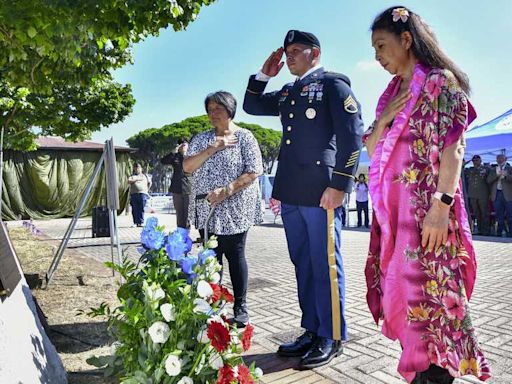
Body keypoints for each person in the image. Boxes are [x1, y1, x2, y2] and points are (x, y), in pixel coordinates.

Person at [363, 6, 490, 383]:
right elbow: (371, 149)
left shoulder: (439, 81)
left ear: (406, 39)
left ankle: (433, 376)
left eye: (382, 46)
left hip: (428, 216)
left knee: (433, 298)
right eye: (373, 50)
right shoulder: (390, 94)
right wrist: (384, 120)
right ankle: (420, 370)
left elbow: (454, 147)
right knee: (404, 296)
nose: (378, 57)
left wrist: (441, 206)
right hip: (395, 220)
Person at [243, 30, 363, 369]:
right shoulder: (288, 91)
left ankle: (332, 335)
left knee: (325, 264)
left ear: (315, 53)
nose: (290, 55)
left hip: (322, 189)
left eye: (296, 50)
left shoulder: (333, 85)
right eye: (287, 51)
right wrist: (264, 75)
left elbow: (352, 135)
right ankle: (312, 329)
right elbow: (252, 105)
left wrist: (341, 184)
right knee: (304, 263)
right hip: (292, 188)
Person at [183, 91, 263, 327]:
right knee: (210, 257)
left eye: (218, 108)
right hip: (205, 208)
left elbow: (253, 171)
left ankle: (240, 306)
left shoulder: (245, 137)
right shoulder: (202, 138)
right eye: (209, 109)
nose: (212, 113)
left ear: (230, 109)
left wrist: (226, 190)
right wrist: (213, 148)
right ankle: (212, 304)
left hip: (235, 208)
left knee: (235, 254)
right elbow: (187, 166)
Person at [161, 139, 192, 229]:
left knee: (188, 213)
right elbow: (163, 161)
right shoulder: (175, 156)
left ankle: (187, 232)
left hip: (189, 188)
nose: (182, 146)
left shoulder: (191, 155)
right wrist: (173, 152)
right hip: (176, 188)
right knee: (179, 213)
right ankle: (180, 233)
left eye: (184, 144)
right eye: (180, 145)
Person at [486, 154, 512, 237]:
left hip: (508, 195)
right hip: (496, 194)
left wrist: (506, 176)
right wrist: (496, 176)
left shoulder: (510, 168)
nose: (499, 160)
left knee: (510, 214)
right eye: (498, 159)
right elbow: (488, 181)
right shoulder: (493, 169)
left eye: (501, 158)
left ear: (505, 159)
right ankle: (500, 231)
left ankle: (510, 232)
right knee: (499, 214)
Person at [464, 155, 490, 235]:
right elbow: (460, 168)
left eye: (477, 160)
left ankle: (485, 230)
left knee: (484, 213)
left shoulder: (486, 169)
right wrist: (467, 162)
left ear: (480, 160)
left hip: (483, 194)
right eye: (474, 160)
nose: (475, 162)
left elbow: (490, 180)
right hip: (472, 195)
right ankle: (479, 229)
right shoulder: (470, 170)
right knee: (477, 213)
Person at [128, 162, 151, 227]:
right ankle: (135, 222)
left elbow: (149, 183)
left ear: (141, 168)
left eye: (138, 167)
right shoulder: (132, 176)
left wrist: (146, 190)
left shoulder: (145, 176)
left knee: (141, 208)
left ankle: (141, 222)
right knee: (135, 208)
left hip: (143, 194)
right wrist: (137, 178)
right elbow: (129, 181)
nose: (137, 169)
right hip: (134, 194)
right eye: (136, 168)